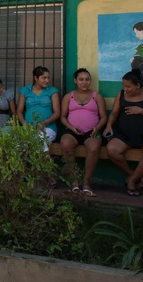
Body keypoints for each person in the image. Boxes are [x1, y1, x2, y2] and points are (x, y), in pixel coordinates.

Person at [104, 68, 143, 197]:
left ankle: (131, 180)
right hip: (124, 135)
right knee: (112, 150)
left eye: (128, 87)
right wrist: (109, 125)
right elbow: (114, 113)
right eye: (124, 86)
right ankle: (133, 174)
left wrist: (141, 111)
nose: (126, 89)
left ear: (138, 85)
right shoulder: (121, 95)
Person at [59, 68, 108, 196]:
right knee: (65, 144)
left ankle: (86, 183)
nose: (84, 82)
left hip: (91, 132)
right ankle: (74, 182)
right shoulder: (68, 96)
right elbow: (63, 117)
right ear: (75, 81)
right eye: (81, 79)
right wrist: (70, 127)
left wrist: (97, 128)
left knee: (94, 147)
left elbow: (104, 117)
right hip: (72, 130)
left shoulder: (96, 96)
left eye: (87, 79)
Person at [17, 66, 60, 152]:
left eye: (48, 77)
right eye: (44, 78)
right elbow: (19, 111)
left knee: (39, 140)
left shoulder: (52, 91)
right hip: (29, 128)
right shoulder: (25, 91)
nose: (47, 80)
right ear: (35, 78)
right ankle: (22, 165)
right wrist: (25, 124)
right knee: (18, 144)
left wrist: (45, 122)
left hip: (48, 128)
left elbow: (57, 112)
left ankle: (46, 164)